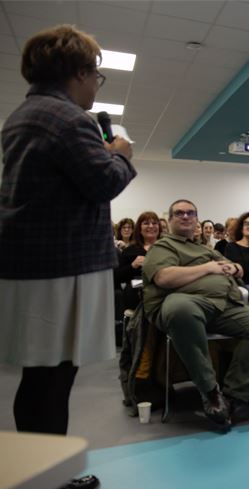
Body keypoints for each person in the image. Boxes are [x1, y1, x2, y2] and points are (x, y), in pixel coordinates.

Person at [0, 25, 136, 489]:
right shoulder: (65, 118)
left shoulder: (27, 114)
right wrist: (121, 154)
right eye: (97, 75)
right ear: (78, 72)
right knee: (49, 383)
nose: (97, 84)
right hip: (57, 267)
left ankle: (46, 473)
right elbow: (103, 182)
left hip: (39, 265)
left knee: (45, 379)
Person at [142, 199, 249, 430]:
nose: (185, 216)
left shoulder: (204, 248)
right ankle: (210, 391)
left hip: (221, 304)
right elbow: (165, 277)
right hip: (183, 302)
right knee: (180, 308)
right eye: (179, 213)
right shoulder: (163, 247)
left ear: (196, 219)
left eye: (190, 213)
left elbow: (236, 267)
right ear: (170, 220)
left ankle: (233, 396)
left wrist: (234, 268)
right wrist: (208, 268)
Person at [115, 211, 161, 310]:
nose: (151, 226)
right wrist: (133, 265)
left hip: (164, 287)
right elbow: (117, 277)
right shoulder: (130, 250)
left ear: (159, 227)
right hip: (137, 291)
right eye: (146, 223)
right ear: (139, 228)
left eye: (154, 223)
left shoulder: (168, 248)